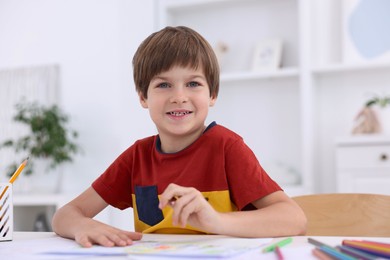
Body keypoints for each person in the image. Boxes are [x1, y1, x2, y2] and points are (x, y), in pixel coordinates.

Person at [52, 26, 307, 248]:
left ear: (212, 95)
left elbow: (293, 218)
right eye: (163, 85)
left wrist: (216, 220)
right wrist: (83, 227)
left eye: (193, 84)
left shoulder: (227, 147)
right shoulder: (136, 157)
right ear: (143, 97)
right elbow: (65, 215)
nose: (179, 96)